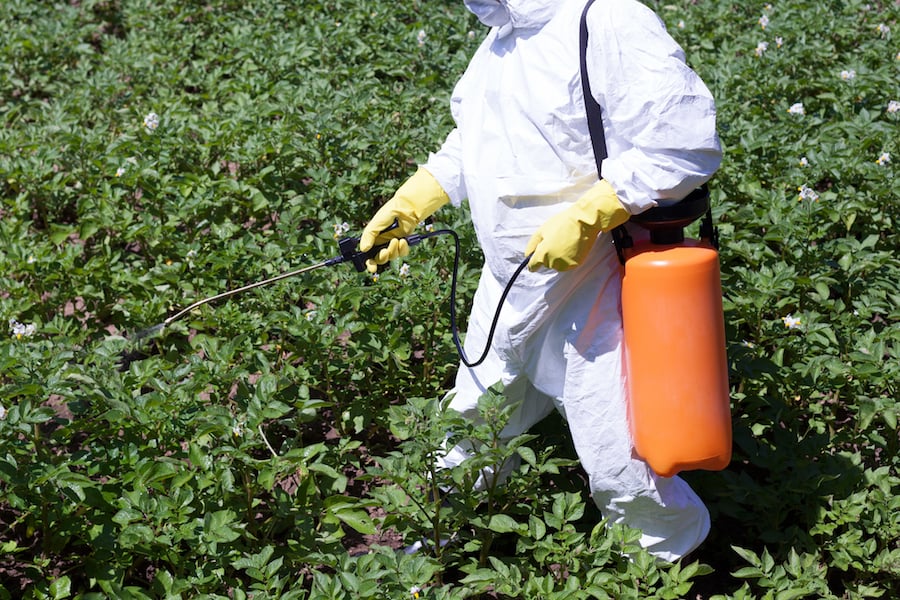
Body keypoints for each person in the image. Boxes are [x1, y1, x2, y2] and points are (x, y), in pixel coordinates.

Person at [359, 0, 722, 562]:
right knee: (473, 416)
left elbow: (682, 139)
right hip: (507, 278)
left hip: (592, 277)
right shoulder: (502, 40)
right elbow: (475, 142)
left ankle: (669, 560)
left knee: (615, 448)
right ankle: (437, 538)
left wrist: (596, 209)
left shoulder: (607, 19)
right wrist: (418, 196)